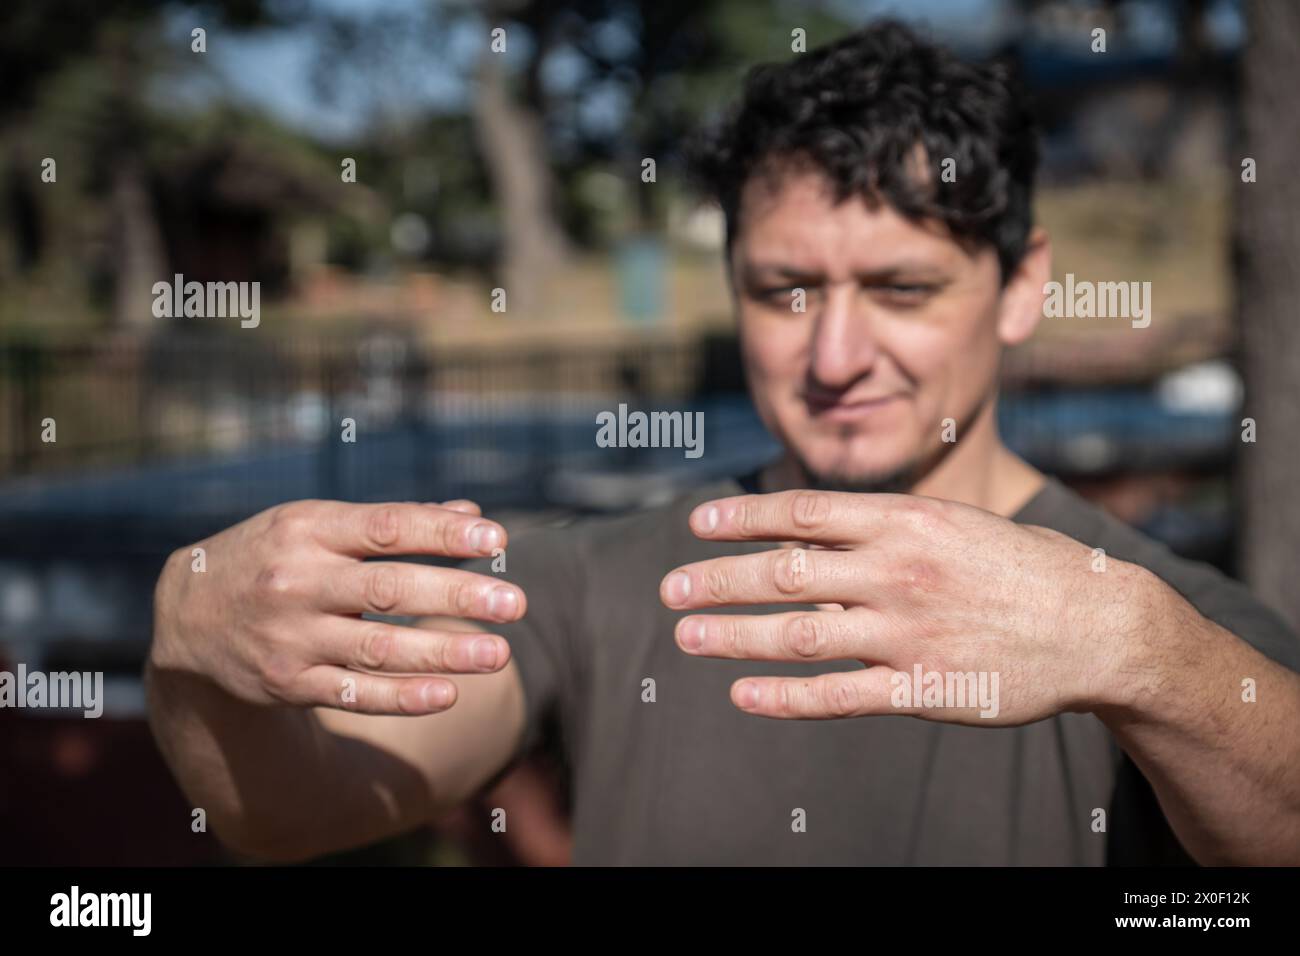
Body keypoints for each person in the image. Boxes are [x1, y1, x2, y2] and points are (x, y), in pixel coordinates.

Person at [146, 21, 1300, 866]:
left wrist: (1146, 657)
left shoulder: (1159, 618)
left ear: (1018, 285)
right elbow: (289, 810)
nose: (836, 352)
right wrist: (202, 655)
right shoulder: (598, 576)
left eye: (902, 287)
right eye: (785, 288)